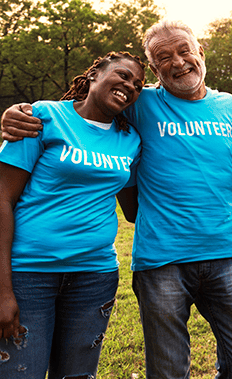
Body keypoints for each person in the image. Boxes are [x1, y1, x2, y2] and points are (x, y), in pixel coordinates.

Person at [1, 20, 232, 379]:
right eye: (164, 57)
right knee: (167, 370)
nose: (178, 62)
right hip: (159, 260)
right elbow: (87, 109)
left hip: (224, 253)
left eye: (184, 51)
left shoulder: (230, 107)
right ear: (156, 71)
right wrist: (17, 112)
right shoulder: (138, 103)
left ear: (200, 53)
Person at [0, 52, 145, 377]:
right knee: (21, 373)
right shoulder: (43, 117)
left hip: (94, 277)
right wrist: (2, 290)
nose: (130, 86)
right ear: (94, 74)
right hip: (29, 276)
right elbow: (2, 197)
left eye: (137, 85)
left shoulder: (129, 140)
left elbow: (133, 209)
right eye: (122, 75)